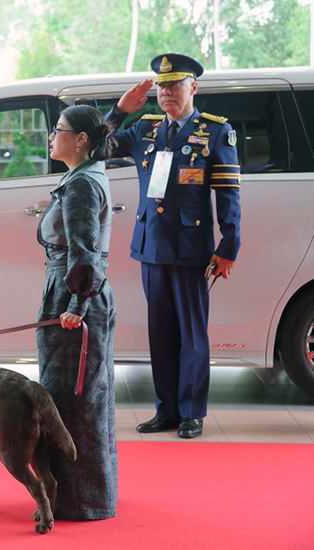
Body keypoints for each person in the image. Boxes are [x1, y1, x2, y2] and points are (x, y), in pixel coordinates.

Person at [105, 53, 241, 439]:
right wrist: (119, 110)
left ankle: (191, 412)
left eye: (174, 84)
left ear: (193, 87)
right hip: (151, 245)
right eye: (161, 86)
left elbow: (228, 194)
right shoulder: (144, 129)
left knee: (192, 334)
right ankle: (166, 410)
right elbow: (96, 147)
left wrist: (229, 245)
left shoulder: (215, 131)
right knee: (160, 332)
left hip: (191, 246)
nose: (166, 92)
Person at [36, 104, 117, 520]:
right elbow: (103, 127)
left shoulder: (83, 184)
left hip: (75, 299)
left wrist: (76, 306)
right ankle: (86, 496)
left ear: (81, 139)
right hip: (75, 293)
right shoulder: (87, 172)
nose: (52, 136)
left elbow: (85, 252)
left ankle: (78, 501)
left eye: (59, 129)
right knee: (81, 398)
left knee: (72, 402)